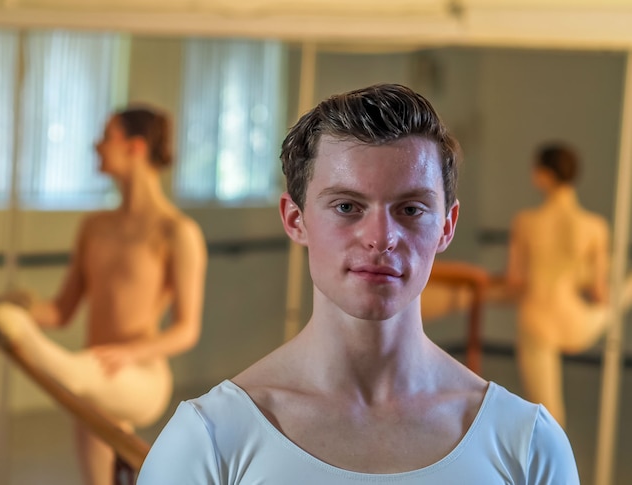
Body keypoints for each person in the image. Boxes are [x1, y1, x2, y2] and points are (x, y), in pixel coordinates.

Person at [137, 84, 578, 484]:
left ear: (447, 225)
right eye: (347, 206)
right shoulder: (210, 440)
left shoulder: (527, 444)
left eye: (410, 209)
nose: (381, 238)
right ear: (296, 219)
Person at [0, 106, 207, 485]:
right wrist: (21, 307)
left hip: (139, 376)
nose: (96, 145)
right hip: (92, 380)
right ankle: (21, 330)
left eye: (106, 136)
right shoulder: (93, 226)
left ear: (135, 147)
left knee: (76, 374)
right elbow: (60, 311)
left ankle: (23, 334)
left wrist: (130, 353)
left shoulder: (177, 232)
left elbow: (186, 329)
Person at [505, 142, 631, 427]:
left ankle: (550, 469)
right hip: (576, 323)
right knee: (617, 297)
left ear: (543, 175)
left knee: (551, 419)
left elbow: (515, 281)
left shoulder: (525, 222)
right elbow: (599, 293)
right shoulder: (595, 227)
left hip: (537, 322)